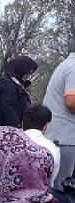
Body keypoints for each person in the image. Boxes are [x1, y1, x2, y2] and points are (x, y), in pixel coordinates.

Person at [0, 56, 38, 131]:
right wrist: (18, 129)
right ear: (20, 71)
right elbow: (9, 108)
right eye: (27, 74)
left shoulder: (17, 85)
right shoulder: (7, 86)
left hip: (1, 128)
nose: (29, 77)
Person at [44, 52, 75, 192]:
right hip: (66, 138)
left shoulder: (67, 65)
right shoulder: (73, 67)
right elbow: (71, 101)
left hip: (60, 135)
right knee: (62, 189)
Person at [22, 103, 59, 186]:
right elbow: (51, 180)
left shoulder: (8, 140)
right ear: (45, 126)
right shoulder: (52, 149)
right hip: (39, 196)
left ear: (23, 122)